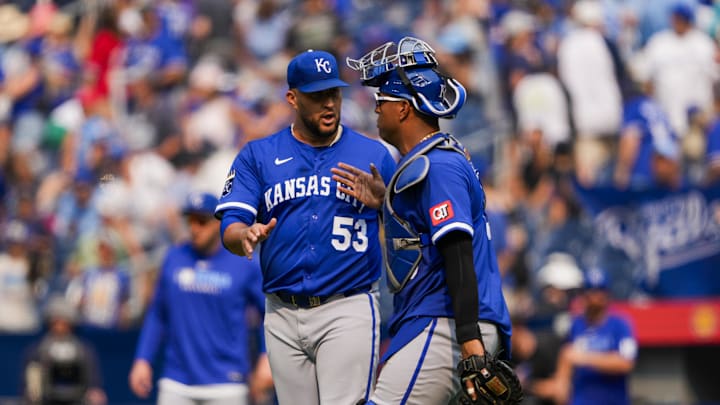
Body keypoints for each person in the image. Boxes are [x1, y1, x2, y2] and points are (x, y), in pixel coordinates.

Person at [215, 49, 396, 405]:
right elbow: (230, 230)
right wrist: (245, 236)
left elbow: (408, 235)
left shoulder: (374, 156)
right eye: (317, 96)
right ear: (292, 98)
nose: (328, 104)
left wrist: (387, 206)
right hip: (281, 310)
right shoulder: (258, 155)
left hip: (347, 305)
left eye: (334, 93)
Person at [343, 36, 515, 404]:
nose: (376, 110)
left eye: (382, 102)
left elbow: (457, 250)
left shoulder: (438, 165)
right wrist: (385, 206)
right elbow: (422, 244)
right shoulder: (430, 162)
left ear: (404, 109)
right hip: (438, 318)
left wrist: (470, 339)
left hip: (445, 321)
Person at [129, 192, 272, 405]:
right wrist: (143, 358)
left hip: (227, 382)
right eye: (190, 221)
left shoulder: (244, 261)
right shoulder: (175, 257)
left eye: (202, 221)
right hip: (177, 380)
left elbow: (268, 313)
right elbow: (158, 313)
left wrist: (265, 357)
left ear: (219, 224)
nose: (194, 228)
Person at [554, 267, 637, 405]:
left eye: (599, 292)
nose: (595, 298)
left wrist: (584, 357)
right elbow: (567, 356)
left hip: (613, 400)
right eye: (590, 292)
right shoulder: (576, 324)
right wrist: (561, 385)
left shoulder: (620, 324)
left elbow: (625, 363)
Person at [22, 294, 107, 405]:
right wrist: (33, 393)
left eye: (63, 322)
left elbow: (94, 383)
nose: (59, 327)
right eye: (56, 322)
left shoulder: (84, 350)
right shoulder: (37, 350)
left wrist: (94, 392)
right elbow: (29, 387)